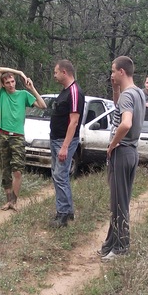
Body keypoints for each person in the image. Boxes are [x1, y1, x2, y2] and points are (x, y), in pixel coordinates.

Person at [99, 56, 146, 261]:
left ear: (121, 72)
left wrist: (112, 144)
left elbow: (125, 123)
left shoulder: (129, 95)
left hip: (122, 151)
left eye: (113, 71)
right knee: (119, 200)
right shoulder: (138, 93)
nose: (111, 74)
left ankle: (121, 249)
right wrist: (115, 90)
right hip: (132, 152)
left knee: (119, 203)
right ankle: (110, 243)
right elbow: (120, 108)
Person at [0, 66, 46, 211]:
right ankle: (8, 201)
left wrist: (32, 88)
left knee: (17, 170)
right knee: (5, 170)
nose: (11, 85)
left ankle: (14, 201)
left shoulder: (23, 94)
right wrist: (20, 72)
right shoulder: (2, 95)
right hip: (3, 135)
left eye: (12, 81)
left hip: (17, 137)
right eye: (7, 83)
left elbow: (42, 105)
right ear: (3, 84)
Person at [49, 59, 85, 227]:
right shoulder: (64, 91)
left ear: (64, 72)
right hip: (56, 139)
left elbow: (74, 121)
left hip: (65, 141)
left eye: (56, 72)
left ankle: (63, 215)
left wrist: (65, 146)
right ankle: (67, 211)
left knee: (60, 175)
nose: (54, 75)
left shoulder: (75, 91)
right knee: (58, 175)